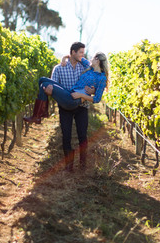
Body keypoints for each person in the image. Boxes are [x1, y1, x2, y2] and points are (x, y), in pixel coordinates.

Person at [24, 42, 109, 172]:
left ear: (98, 61)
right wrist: (50, 90)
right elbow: (55, 88)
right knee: (42, 81)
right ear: (73, 53)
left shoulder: (92, 72)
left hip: (80, 104)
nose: (84, 56)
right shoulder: (72, 66)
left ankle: (82, 165)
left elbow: (97, 97)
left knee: (82, 136)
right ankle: (69, 166)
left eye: (85, 54)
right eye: (80, 53)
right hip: (66, 100)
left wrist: (85, 93)